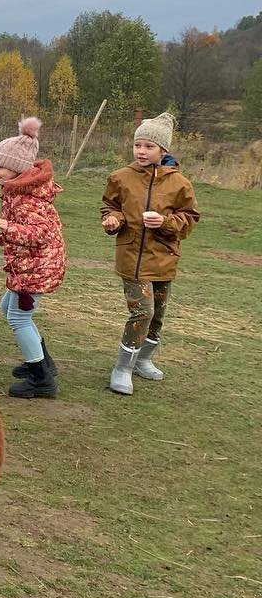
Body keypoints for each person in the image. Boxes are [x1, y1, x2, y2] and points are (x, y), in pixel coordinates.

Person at [100, 112, 199, 395]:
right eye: (137, 145)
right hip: (131, 258)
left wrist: (165, 222)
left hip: (164, 258)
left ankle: (143, 360)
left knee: (157, 315)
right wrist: (113, 220)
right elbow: (110, 206)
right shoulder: (120, 177)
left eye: (148, 146)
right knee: (143, 311)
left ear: (163, 150)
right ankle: (122, 368)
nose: (141, 151)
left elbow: (189, 217)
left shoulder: (180, 184)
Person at [0, 117, 66, 399]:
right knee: (8, 307)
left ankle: (41, 378)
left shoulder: (28, 198)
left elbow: (40, 234)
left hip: (36, 268)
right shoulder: (18, 191)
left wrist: (9, 229)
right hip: (28, 265)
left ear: (17, 167)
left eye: (0, 166)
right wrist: (4, 237)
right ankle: (43, 361)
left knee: (19, 318)